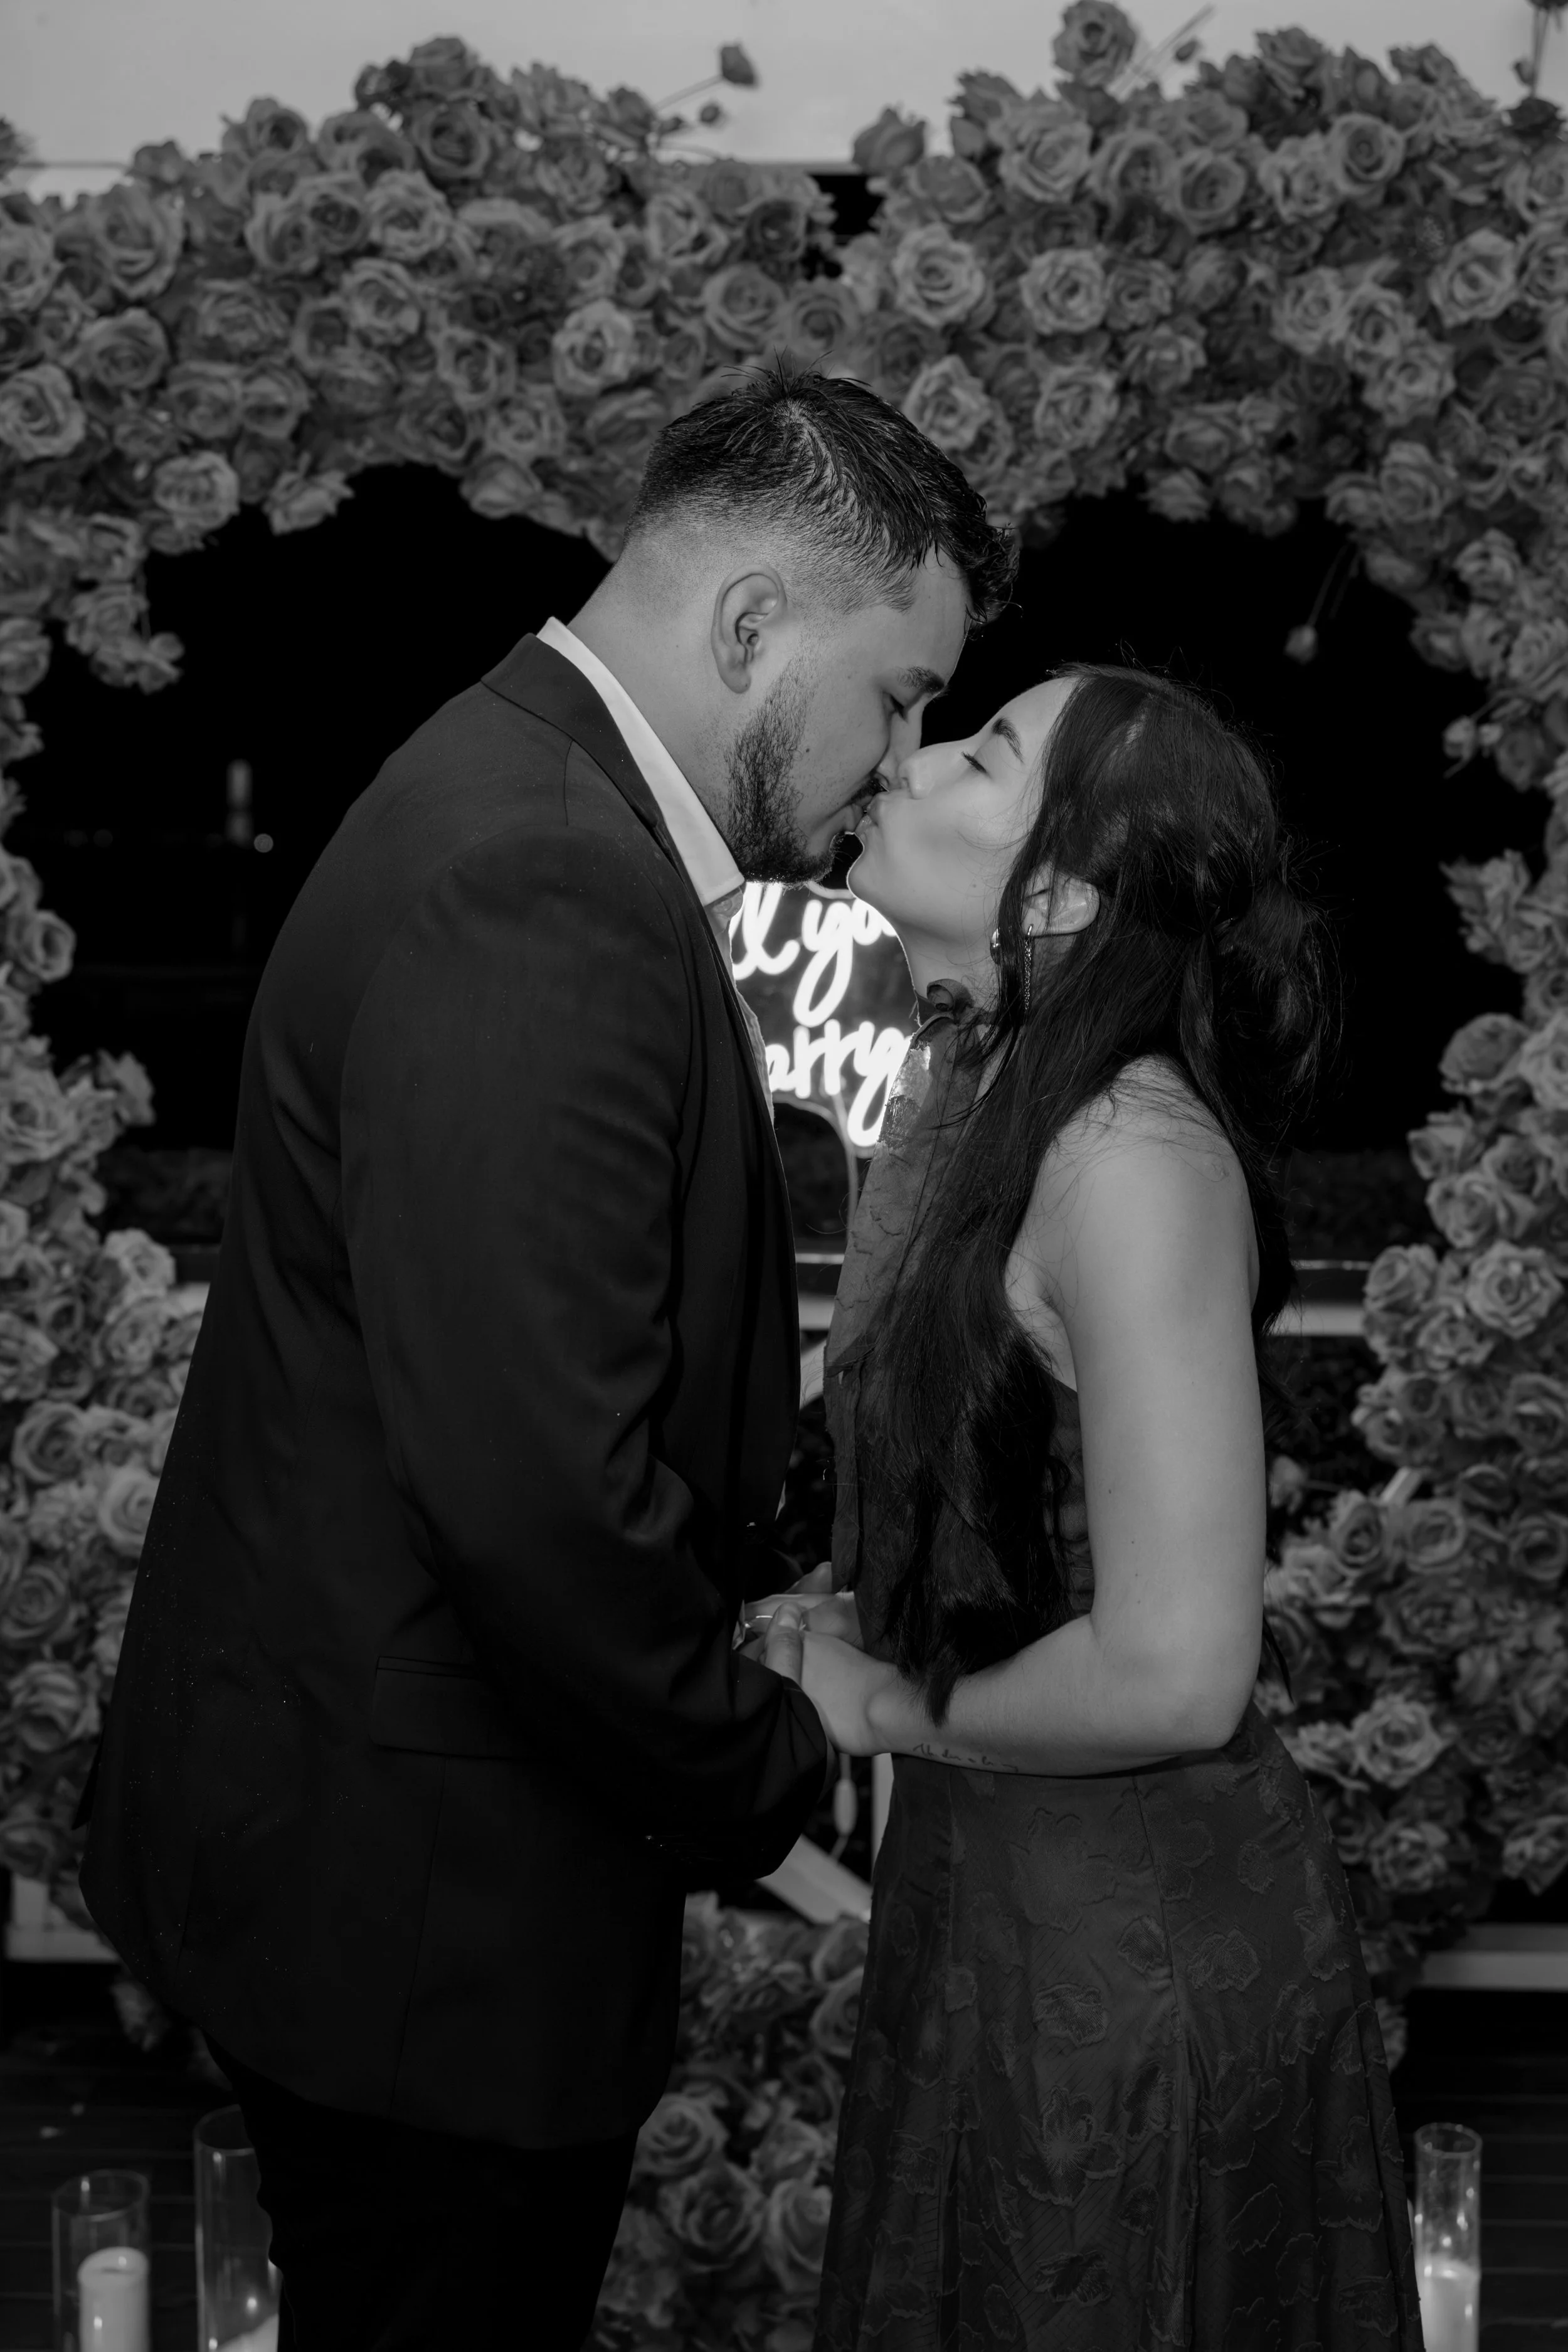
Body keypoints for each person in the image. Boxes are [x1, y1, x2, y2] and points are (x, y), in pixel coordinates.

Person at [77, 366, 1015, 2349]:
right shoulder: (547, 875)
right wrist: (784, 1768)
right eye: (903, 693)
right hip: (425, 1908)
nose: (896, 757)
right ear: (754, 626)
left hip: (383, 1853)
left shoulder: (525, 798)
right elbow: (534, 1490)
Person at [756, 665, 1422, 2348]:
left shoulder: (1129, 1157)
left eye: (976, 752)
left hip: (1133, 1968)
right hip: (1001, 1908)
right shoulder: (986, 1103)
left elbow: (1178, 1669)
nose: (902, 761)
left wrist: (887, 1697)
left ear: (1056, 888)